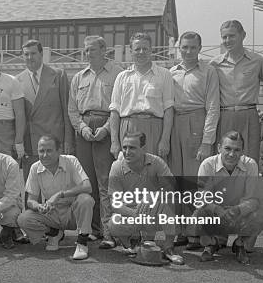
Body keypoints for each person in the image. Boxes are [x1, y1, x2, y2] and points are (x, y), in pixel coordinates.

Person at [68, 35, 123, 249]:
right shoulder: (79, 77)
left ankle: (109, 231)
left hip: (106, 127)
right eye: (85, 50)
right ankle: (90, 229)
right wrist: (81, 127)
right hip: (84, 129)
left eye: (91, 49)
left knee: (105, 183)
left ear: (103, 50)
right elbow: (72, 109)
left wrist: (106, 129)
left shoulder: (118, 73)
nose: (87, 53)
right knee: (86, 182)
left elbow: (119, 106)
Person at [169, 31, 220, 249]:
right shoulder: (170, 72)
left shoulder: (208, 71)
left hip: (196, 123)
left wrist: (207, 141)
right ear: (178, 48)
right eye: (184, 47)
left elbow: (213, 106)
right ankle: (180, 230)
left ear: (200, 48)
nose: (188, 51)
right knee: (177, 180)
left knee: (194, 180)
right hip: (174, 124)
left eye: (192, 47)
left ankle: (195, 233)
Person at [106, 132, 184, 265]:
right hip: (133, 214)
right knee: (114, 223)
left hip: (155, 212)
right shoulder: (116, 167)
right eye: (124, 147)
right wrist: (137, 214)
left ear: (143, 148)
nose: (127, 151)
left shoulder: (157, 162)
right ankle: (131, 246)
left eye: (132, 147)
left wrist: (155, 196)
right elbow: (115, 204)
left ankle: (168, 248)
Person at [17, 134, 95, 260]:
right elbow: (30, 200)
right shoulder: (35, 167)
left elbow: (87, 187)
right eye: (41, 151)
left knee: (85, 199)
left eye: (49, 151)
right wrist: (39, 206)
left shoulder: (71, 161)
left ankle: (82, 242)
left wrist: (59, 194)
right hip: (52, 213)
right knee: (23, 219)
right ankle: (54, 233)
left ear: (59, 151)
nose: (45, 155)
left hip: (73, 212)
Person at [193, 131, 263, 264]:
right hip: (215, 212)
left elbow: (253, 199)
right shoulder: (207, 165)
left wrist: (237, 210)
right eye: (227, 149)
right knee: (198, 214)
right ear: (219, 148)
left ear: (242, 151)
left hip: (238, 212)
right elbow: (201, 198)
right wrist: (218, 210)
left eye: (237, 150)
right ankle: (212, 243)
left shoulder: (251, 165)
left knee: (260, 214)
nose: (232, 154)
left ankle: (240, 244)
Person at [209, 20, 263, 164]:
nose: (227, 40)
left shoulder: (259, 61)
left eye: (232, 36)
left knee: (249, 163)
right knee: (223, 163)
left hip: (249, 117)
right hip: (224, 117)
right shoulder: (214, 64)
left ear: (243, 35)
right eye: (224, 37)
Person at [110, 32, 175, 161]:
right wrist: (114, 142)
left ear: (151, 50)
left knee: (153, 170)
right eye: (137, 49)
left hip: (154, 128)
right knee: (129, 172)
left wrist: (165, 140)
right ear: (131, 51)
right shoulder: (122, 77)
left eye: (145, 49)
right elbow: (114, 111)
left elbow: (168, 110)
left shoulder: (164, 75)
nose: (141, 52)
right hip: (128, 127)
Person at [16, 40, 74, 180]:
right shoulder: (17, 80)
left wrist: (68, 141)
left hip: (54, 141)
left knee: (58, 184)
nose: (30, 57)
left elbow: (67, 111)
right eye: (26, 54)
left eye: (33, 53)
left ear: (41, 54)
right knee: (32, 187)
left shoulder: (58, 75)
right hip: (31, 142)